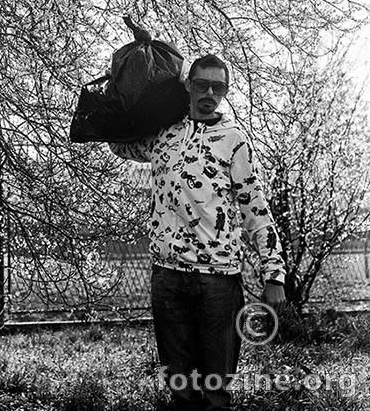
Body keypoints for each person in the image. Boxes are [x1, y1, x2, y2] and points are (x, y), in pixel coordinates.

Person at [110, 53, 286, 411]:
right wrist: (126, 73)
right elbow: (118, 141)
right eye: (202, 84)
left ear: (225, 91)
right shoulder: (164, 134)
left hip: (218, 280)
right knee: (181, 389)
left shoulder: (233, 140)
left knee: (216, 391)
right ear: (188, 85)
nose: (209, 92)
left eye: (217, 87)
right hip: (168, 276)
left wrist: (274, 273)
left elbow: (255, 207)